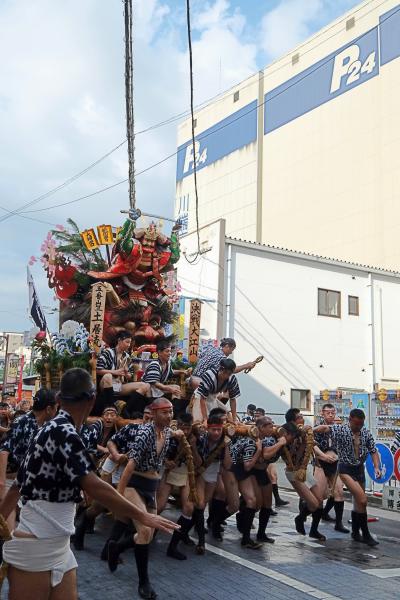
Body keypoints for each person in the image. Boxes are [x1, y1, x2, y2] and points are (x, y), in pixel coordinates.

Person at [0, 368, 178, 600]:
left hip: (59, 545)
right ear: (92, 399)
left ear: (59, 400)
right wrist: (143, 516)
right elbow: (92, 484)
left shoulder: (48, 429)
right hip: (37, 545)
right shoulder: (64, 432)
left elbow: (17, 486)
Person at [117, 397, 183, 599]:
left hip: (151, 486)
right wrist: (117, 497)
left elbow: (174, 431)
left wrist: (180, 432)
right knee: (145, 530)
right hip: (134, 484)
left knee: (150, 533)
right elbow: (129, 465)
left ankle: (115, 547)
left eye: (171, 412)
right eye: (164, 412)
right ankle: (144, 583)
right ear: (154, 414)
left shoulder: (167, 432)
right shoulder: (145, 433)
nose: (169, 415)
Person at [314, 408, 380, 546]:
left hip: (359, 469)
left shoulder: (366, 433)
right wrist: (311, 429)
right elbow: (325, 428)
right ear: (350, 420)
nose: (358, 427)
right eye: (356, 424)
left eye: (361, 424)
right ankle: (365, 533)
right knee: (362, 500)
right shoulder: (341, 430)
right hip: (345, 469)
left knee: (358, 503)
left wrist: (376, 467)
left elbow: (373, 451)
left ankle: (356, 532)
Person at [0, 389, 57, 529]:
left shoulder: (52, 426)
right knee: (7, 525)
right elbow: (4, 450)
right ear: (49, 408)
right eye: (56, 406)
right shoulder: (22, 421)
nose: (58, 410)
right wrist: (1, 482)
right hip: (11, 478)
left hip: (32, 482)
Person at [157, 413, 198, 560]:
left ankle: (173, 546)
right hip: (168, 472)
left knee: (189, 508)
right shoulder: (168, 435)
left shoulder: (195, 438)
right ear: (177, 425)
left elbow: (198, 463)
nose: (185, 431)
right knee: (160, 506)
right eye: (183, 428)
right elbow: (157, 454)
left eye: (188, 428)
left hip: (186, 473)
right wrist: (166, 461)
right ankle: (148, 533)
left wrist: (192, 447)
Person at [282, 415, 326, 541]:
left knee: (320, 500)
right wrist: (302, 443)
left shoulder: (303, 434)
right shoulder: (285, 436)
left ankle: (314, 530)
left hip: (304, 470)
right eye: (299, 418)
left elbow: (312, 445)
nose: (302, 420)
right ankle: (300, 518)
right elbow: (291, 459)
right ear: (293, 422)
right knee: (313, 504)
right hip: (293, 472)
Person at [313, 403, 348, 533]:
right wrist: (323, 456)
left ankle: (338, 523)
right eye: (328, 412)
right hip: (321, 463)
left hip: (334, 464)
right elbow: (312, 445)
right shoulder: (317, 427)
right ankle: (313, 526)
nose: (331, 414)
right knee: (319, 496)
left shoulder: (338, 428)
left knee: (339, 492)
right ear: (322, 413)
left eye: (333, 412)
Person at [96, 330, 150, 414]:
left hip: (118, 386)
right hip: (106, 385)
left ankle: (126, 409)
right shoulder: (108, 352)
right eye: (127, 342)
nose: (128, 345)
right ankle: (111, 407)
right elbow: (98, 370)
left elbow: (130, 374)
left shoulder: (127, 356)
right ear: (119, 340)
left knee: (145, 385)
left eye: (130, 343)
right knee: (108, 376)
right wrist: (115, 372)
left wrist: (127, 374)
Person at [190, 338, 257, 388]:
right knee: (227, 386)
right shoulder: (221, 357)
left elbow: (199, 356)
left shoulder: (211, 348)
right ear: (227, 346)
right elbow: (231, 370)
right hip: (201, 381)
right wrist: (246, 366)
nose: (231, 352)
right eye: (231, 350)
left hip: (193, 377)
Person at [192, 358, 240, 423]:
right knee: (198, 421)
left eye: (229, 374)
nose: (226, 376)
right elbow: (202, 398)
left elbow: (232, 399)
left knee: (229, 417)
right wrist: (205, 419)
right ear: (220, 369)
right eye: (225, 372)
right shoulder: (209, 375)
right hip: (199, 397)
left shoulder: (232, 379)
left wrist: (234, 420)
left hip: (213, 399)